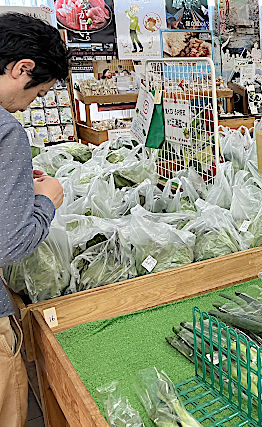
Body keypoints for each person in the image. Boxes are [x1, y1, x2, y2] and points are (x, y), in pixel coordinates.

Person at [0, 13, 68, 427]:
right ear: (21, 68)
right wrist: (46, 202)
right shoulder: (7, 132)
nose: (32, 105)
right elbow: (10, 243)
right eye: (39, 93)